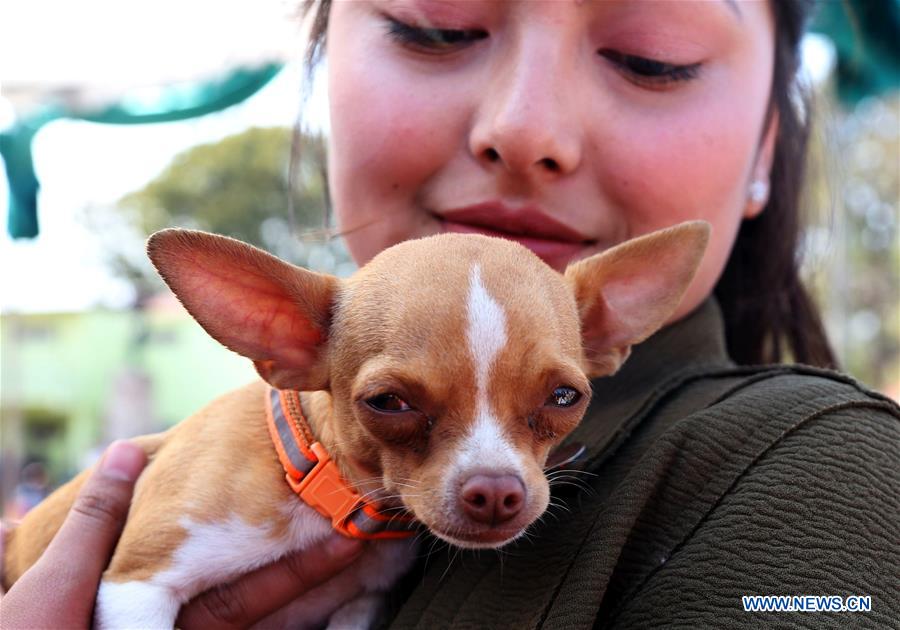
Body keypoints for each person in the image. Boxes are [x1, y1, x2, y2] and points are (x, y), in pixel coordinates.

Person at [3, 0, 898, 627]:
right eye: (436, 28)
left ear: (767, 149)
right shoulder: (288, 453)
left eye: (651, 57)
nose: (525, 128)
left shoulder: (823, 475)